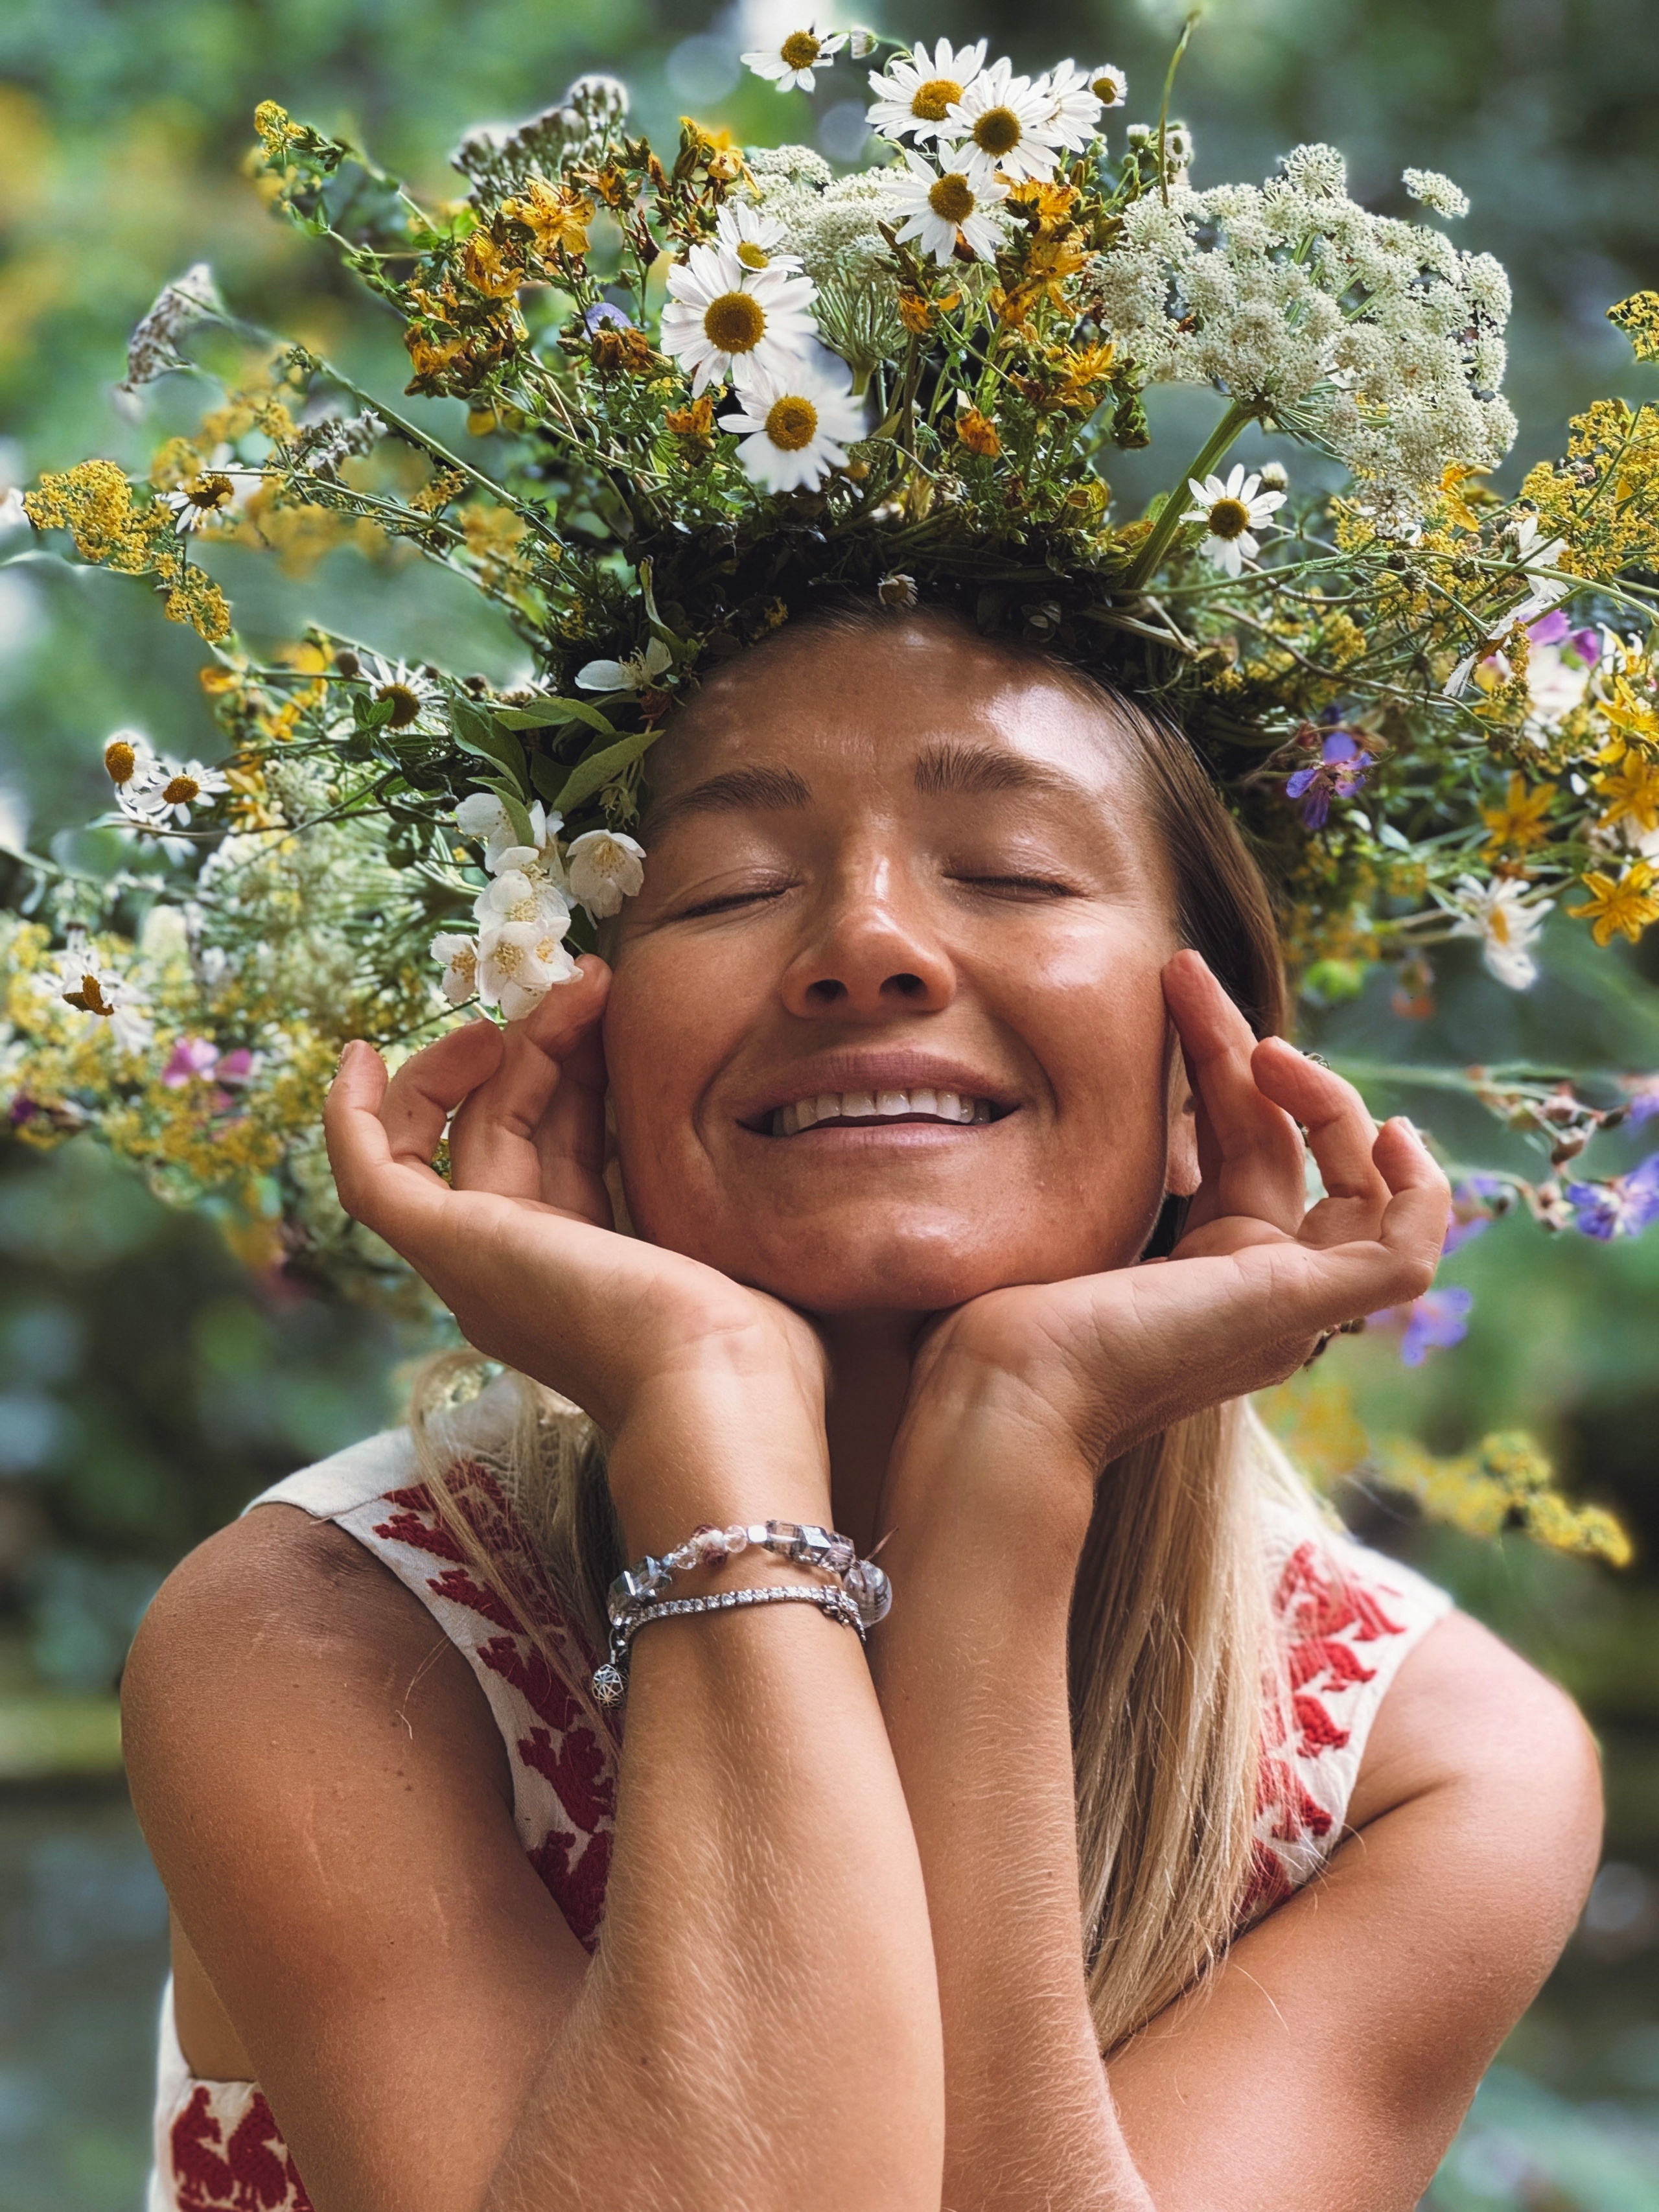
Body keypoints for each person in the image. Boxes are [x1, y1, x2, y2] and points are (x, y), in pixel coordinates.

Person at [123, 606, 1603, 2212]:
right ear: (583, 1070)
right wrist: (708, 1401)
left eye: (1016, 872)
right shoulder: (318, 1643)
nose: (867, 944)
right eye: (733, 889)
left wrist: (1010, 1455)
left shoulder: (1434, 1768)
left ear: (1210, 1079)